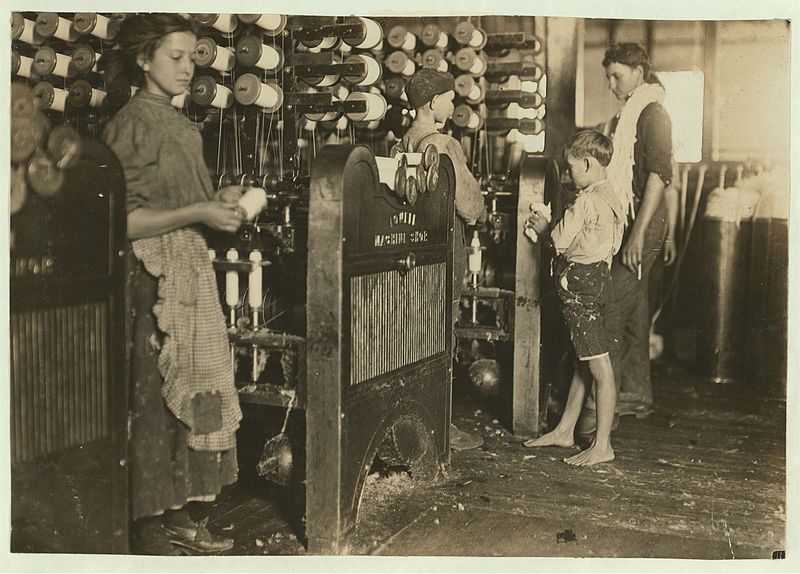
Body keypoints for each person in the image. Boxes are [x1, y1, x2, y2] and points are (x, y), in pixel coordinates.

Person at [101, 14, 247, 555]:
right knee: (161, 399)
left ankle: (192, 511)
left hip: (189, 271)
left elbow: (186, 206)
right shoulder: (132, 124)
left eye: (193, 57)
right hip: (151, 284)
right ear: (143, 60)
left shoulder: (181, 124)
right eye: (175, 57)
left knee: (206, 387)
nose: (188, 68)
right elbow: (121, 221)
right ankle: (152, 523)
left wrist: (219, 206)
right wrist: (199, 209)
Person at [578, 43, 673, 433]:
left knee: (611, 306)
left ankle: (603, 406)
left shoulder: (652, 113)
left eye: (617, 75)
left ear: (639, 71)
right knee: (634, 307)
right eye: (609, 76)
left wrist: (638, 235)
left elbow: (659, 175)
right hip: (636, 220)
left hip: (641, 223)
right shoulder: (631, 113)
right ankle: (635, 393)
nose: (612, 83)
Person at [523, 130, 624, 466]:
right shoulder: (612, 196)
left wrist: (542, 225)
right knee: (585, 358)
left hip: (580, 285)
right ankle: (566, 430)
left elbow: (558, 242)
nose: (567, 175)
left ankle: (603, 445)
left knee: (600, 368)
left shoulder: (585, 201)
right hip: (599, 280)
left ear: (586, 163)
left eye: (569, 169)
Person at [402, 68, 488, 451]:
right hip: (446, 246)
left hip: (414, 248)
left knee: (416, 332)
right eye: (450, 98)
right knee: (443, 332)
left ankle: (416, 420)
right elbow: (470, 206)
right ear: (433, 102)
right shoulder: (445, 144)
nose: (454, 104)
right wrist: (480, 208)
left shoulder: (402, 141)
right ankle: (443, 425)